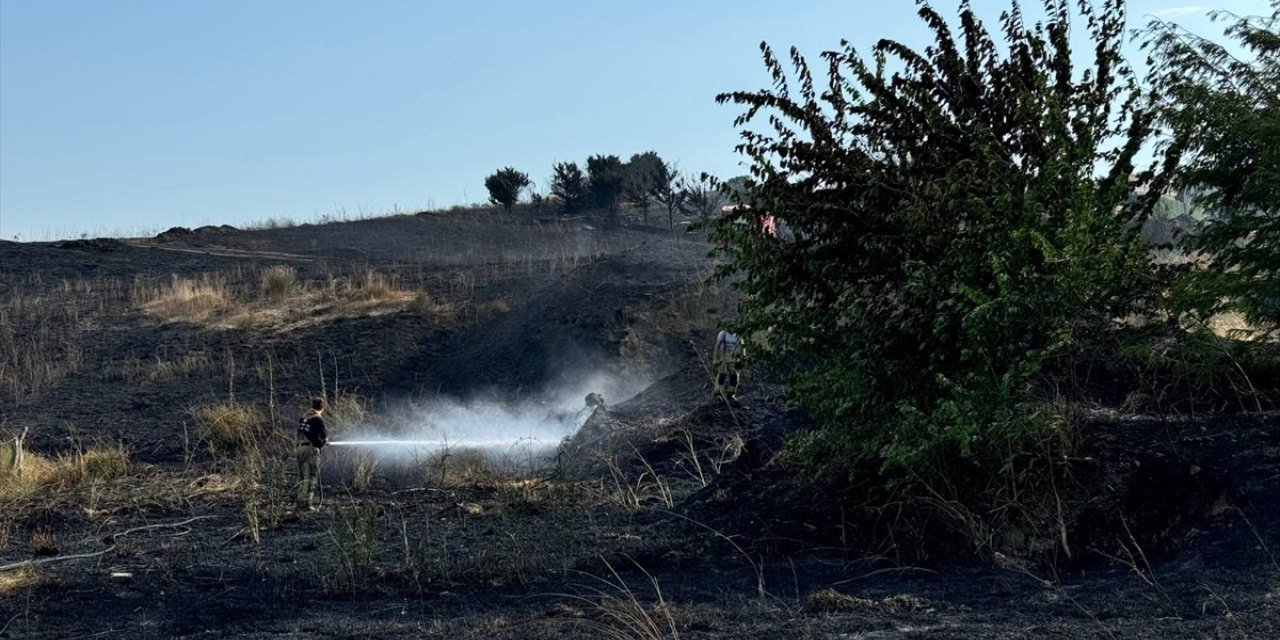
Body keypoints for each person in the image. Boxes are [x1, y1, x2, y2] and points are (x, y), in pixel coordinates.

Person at [295, 397, 329, 511]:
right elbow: (323, 436)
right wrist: (323, 443)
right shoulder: (318, 419)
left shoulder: (303, 418)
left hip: (299, 449)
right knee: (310, 476)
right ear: (322, 408)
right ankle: (306, 504)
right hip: (310, 450)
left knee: (302, 477)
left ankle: (300, 502)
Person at [712, 329, 743, 403]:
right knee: (722, 375)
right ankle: (718, 394)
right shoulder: (723, 334)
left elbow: (741, 347)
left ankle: (731, 394)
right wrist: (716, 359)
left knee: (734, 376)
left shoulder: (739, 335)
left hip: (733, 359)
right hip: (723, 359)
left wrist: (741, 360)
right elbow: (717, 346)